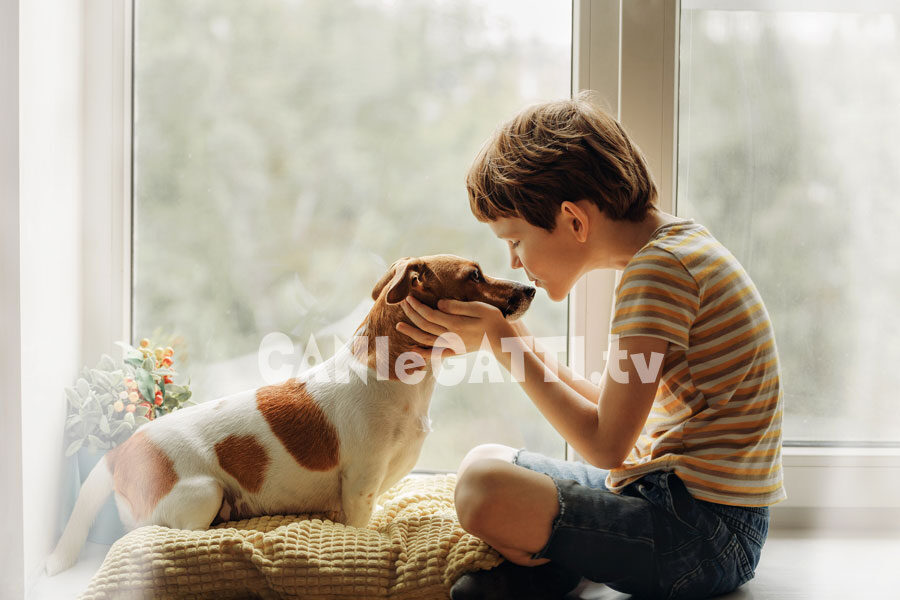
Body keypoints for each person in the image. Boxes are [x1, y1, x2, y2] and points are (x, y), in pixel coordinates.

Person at [395, 91, 785, 599]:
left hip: (704, 535)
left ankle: (555, 562)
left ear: (574, 221)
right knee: (485, 460)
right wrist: (511, 338)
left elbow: (606, 446)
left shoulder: (659, 274)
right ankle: (564, 560)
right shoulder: (675, 250)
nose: (514, 263)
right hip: (670, 497)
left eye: (515, 240)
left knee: (481, 488)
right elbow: (612, 412)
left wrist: (503, 342)